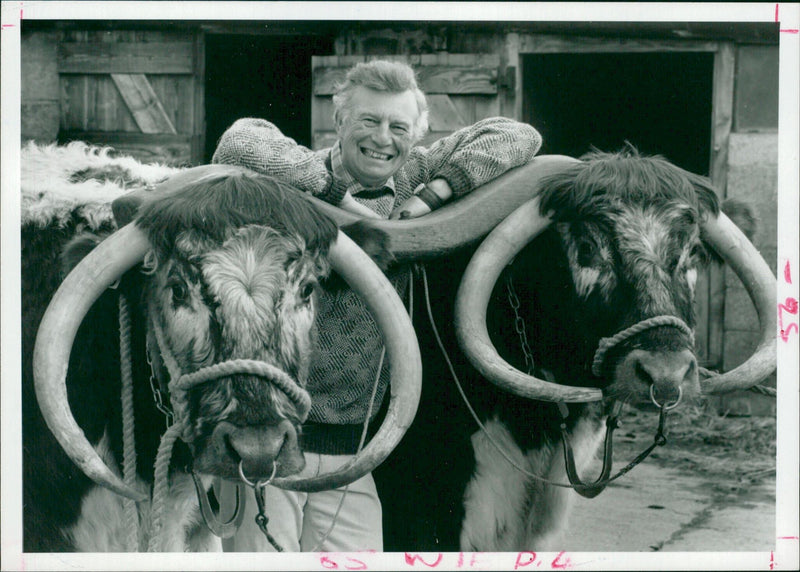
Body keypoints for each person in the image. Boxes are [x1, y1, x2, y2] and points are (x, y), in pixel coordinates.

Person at [211, 59, 542, 552]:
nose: (382, 138)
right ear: (339, 121)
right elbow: (239, 140)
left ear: (416, 134)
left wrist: (432, 197)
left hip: (355, 452)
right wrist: (337, 196)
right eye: (368, 121)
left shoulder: (414, 178)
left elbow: (518, 136)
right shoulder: (292, 180)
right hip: (272, 441)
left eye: (398, 126)